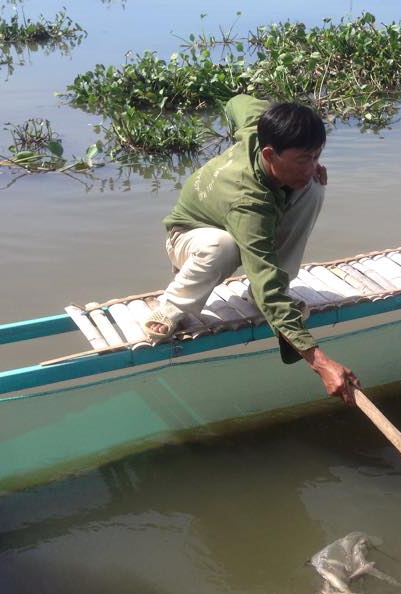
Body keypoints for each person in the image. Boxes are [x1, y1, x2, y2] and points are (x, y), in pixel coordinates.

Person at [144, 95, 360, 405]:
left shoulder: (258, 126)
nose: (312, 165)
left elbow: (236, 101)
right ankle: (174, 306)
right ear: (270, 154)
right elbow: (267, 284)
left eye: (316, 155)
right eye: (303, 159)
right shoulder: (250, 203)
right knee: (224, 247)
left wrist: (309, 166)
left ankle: (258, 294)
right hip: (189, 236)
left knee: (312, 187)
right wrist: (321, 363)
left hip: (234, 217)